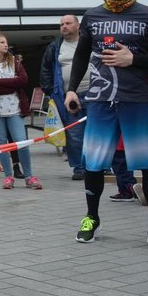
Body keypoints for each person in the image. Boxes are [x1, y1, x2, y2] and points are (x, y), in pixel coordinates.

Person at [68, 0, 148, 249]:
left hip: (138, 99)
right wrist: (71, 90)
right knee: (94, 163)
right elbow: (81, 56)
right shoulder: (92, 17)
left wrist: (133, 60)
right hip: (100, 101)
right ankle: (91, 218)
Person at [0, 34, 41, 189]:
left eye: (6, 42)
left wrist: (0, 81)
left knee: (22, 142)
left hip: (15, 108)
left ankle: (29, 176)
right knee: (1, 144)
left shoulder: (15, 61)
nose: (6, 45)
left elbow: (23, 80)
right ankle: (8, 176)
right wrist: (11, 85)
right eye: (2, 42)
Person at [40, 15, 90, 180]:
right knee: (74, 134)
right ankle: (79, 168)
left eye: (68, 23)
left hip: (94, 94)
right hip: (68, 97)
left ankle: (101, 165)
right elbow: (46, 69)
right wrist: (50, 91)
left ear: (78, 25)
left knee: (98, 131)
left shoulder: (91, 42)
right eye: (61, 24)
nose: (64, 26)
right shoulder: (55, 47)